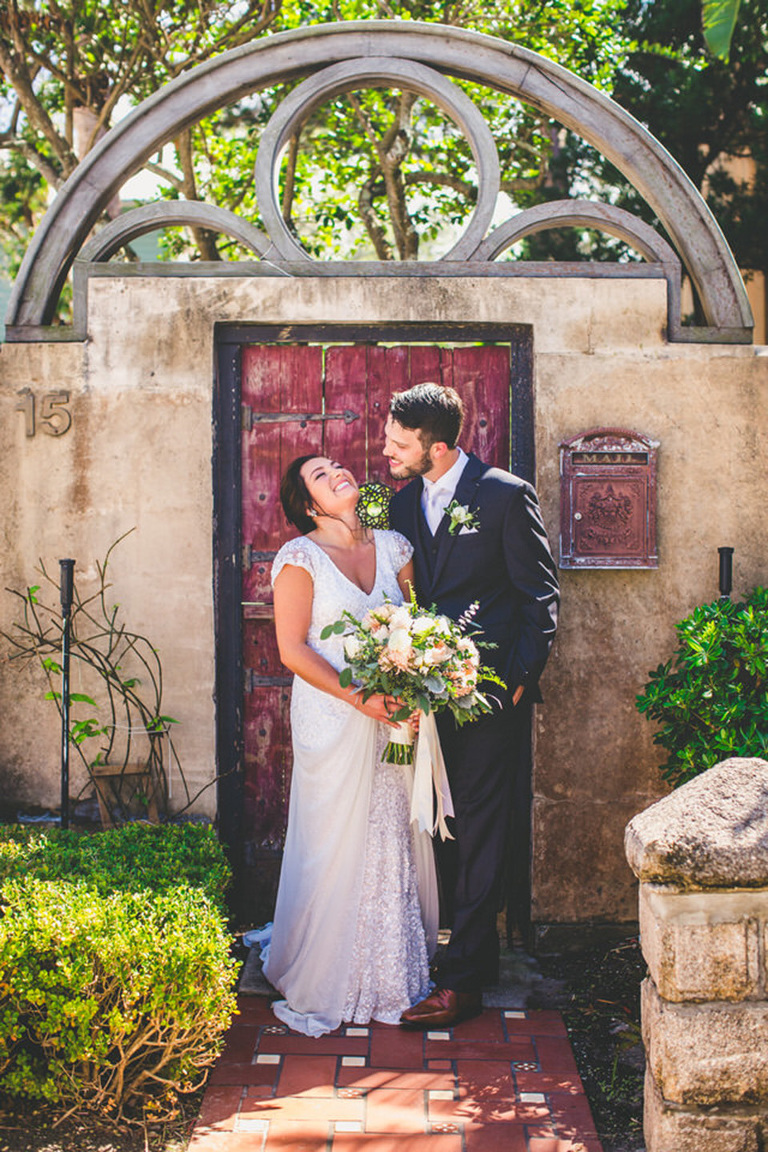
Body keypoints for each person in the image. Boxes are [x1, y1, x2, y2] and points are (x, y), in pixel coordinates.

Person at [385, 383, 560, 1029]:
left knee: (482, 825)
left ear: (437, 446)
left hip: (489, 698)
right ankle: (463, 958)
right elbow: (366, 550)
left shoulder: (506, 494)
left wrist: (516, 680)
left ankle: (461, 987)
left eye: (398, 444)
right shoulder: (397, 501)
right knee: (437, 824)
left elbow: (539, 594)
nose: (386, 451)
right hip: (419, 694)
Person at [261, 454, 438, 1037]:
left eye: (336, 464)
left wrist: (419, 682)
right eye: (320, 474)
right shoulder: (300, 558)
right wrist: (361, 697)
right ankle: (322, 966)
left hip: (392, 719)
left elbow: (420, 626)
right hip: (333, 718)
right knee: (336, 836)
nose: (336, 471)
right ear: (309, 504)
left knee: (388, 829)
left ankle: (389, 968)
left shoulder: (395, 548)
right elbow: (293, 650)